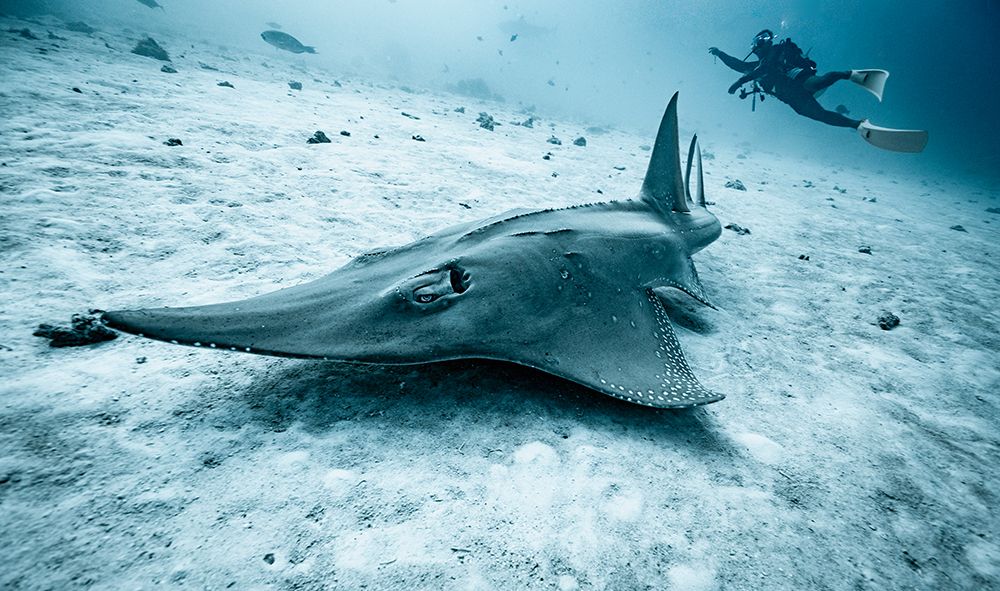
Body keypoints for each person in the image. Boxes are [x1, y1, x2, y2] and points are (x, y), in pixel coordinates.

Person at [710, 30, 863, 129]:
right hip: (789, 95)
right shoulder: (755, 66)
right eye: (760, 40)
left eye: (765, 39)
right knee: (819, 115)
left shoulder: (777, 51)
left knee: (819, 82)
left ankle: (849, 74)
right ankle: (857, 125)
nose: (765, 42)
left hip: (797, 78)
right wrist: (720, 53)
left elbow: (767, 68)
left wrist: (739, 83)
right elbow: (737, 65)